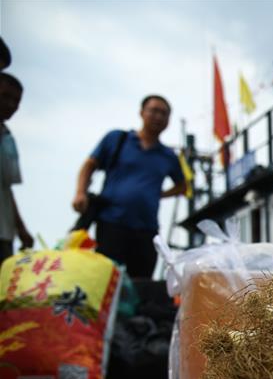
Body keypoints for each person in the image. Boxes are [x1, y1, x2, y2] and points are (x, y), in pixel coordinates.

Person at [73, 95, 187, 278]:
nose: (158, 117)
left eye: (164, 113)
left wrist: (158, 194)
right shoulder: (117, 139)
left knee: (142, 287)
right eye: (154, 111)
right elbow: (89, 165)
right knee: (104, 280)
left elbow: (183, 186)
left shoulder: (168, 156)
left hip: (147, 230)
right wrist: (80, 193)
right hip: (111, 223)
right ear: (142, 113)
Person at [0, 72, 33, 263]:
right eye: (5, 96)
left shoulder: (8, 138)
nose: (11, 105)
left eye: (16, 100)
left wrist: (20, 228)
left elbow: (6, 188)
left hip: (4, 233)